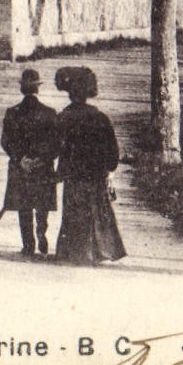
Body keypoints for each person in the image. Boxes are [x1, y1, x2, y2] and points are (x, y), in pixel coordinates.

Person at [52, 65, 126, 265]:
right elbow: (112, 152)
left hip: (73, 173)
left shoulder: (64, 117)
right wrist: (109, 170)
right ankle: (95, 252)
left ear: (69, 94)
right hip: (95, 173)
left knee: (74, 212)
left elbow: (55, 147)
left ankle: (73, 252)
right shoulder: (100, 118)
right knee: (95, 212)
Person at [0, 67, 59, 257]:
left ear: (22, 89)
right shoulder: (50, 113)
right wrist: (42, 159)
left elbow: (6, 142)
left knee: (24, 206)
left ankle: (28, 245)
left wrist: (20, 159)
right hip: (43, 167)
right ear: (38, 89)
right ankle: (41, 231)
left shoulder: (12, 112)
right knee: (41, 204)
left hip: (21, 166)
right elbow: (57, 143)